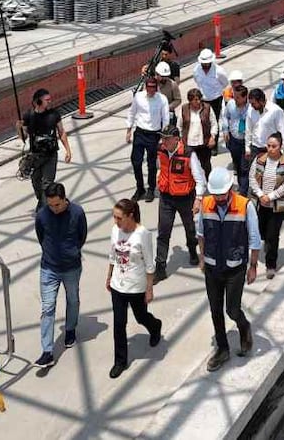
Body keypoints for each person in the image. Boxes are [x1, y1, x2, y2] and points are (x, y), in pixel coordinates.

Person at [196, 167, 262, 372]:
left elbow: (254, 238)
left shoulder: (245, 206)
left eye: (222, 194)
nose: (218, 198)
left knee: (232, 310)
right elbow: (201, 233)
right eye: (215, 194)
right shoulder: (206, 204)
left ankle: (244, 327)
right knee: (215, 310)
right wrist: (202, 257)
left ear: (231, 189)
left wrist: (252, 267)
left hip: (235, 268)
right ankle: (223, 349)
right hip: (212, 266)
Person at [106, 198, 163, 378]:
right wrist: (109, 276)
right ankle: (120, 361)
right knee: (119, 323)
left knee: (140, 316)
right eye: (114, 217)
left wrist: (149, 288)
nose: (116, 221)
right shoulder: (115, 230)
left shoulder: (142, 234)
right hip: (118, 285)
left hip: (136, 286)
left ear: (130, 216)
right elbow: (112, 256)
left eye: (119, 218)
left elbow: (149, 264)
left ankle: (155, 326)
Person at [34, 183, 87, 368]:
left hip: (71, 267)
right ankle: (47, 351)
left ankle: (70, 328)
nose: (54, 209)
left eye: (57, 205)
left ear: (65, 199)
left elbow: (82, 236)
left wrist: (71, 252)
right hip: (49, 267)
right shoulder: (42, 215)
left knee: (72, 299)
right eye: (50, 205)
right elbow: (41, 236)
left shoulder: (77, 213)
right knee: (47, 308)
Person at [154, 125, 206, 282]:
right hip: (166, 197)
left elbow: (200, 179)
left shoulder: (189, 155)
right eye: (162, 138)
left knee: (190, 228)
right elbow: (160, 167)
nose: (164, 141)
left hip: (185, 198)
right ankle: (160, 268)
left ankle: (192, 250)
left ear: (177, 139)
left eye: (167, 138)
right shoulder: (161, 150)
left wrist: (198, 199)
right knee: (163, 232)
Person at [248, 133, 284, 278]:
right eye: (268, 146)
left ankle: (271, 265)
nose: (270, 149)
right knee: (260, 232)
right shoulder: (259, 159)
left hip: (276, 206)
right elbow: (252, 178)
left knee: (272, 236)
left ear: (280, 146)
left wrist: (270, 196)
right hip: (260, 204)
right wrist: (260, 194)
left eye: (273, 146)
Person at [21, 88, 72, 211]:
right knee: (35, 181)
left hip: (51, 154)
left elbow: (61, 132)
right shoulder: (29, 116)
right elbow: (24, 137)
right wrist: (19, 128)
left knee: (47, 183)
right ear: (38, 101)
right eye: (47, 100)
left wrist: (68, 150)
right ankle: (42, 201)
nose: (50, 102)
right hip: (35, 155)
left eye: (50, 99)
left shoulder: (54, 114)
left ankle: (43, 208)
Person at [126, 78, 170, 202]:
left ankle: (151, 188)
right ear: (146, 87)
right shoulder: (138, 97)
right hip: (140, 132)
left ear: (156, 88)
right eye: (149, 87)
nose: (151, 89)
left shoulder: (162, 99)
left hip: (153, 134)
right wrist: (128, 130)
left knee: (152, 164)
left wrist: (164, 137)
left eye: (153, 87)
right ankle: (140, 188)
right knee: (136, 161)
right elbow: (132, 112)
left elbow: (165, 118)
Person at [181, 87, 218, 177]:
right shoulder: (184, 109)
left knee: (206, 166)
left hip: (204, 143)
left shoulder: (207, 108)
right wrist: (180, 141)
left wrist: (212, 137)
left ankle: (209, 184)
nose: (198, 102)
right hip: (189, 144)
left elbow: (214, 124)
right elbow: (179, 126)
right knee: (191, 166)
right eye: (195, 100)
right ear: (190, 101)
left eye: (199, 99)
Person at [221, 84, 251, 194]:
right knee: (237, 165)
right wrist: (225, 130)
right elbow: (225, 116)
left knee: (244, 167)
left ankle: (243, 191)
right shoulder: (230, 104)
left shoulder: (250, 108)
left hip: (246, 141)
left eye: (238, 97)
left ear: (245, 97)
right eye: (234, 96)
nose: (236, 99)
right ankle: (241, 185)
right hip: (234, 140)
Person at [245, 87, 284, 161]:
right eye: (250, 103)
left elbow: (282, 131)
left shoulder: (276, 111)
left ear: (261, 101)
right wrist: (247, 148)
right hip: (255, 148)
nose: (251, 106)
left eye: (253, 103)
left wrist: (281, 150)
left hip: (270, 149)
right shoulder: (251, 110)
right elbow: (248, 129)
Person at [193, 48, 229, 119]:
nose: (205, 66)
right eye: (203, 64)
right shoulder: (196, 70)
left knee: (215, 119)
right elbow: (197, 81)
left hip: (216, 100)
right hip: (203, 100)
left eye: (207, 64)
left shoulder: (219, 71)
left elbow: (225, 83)